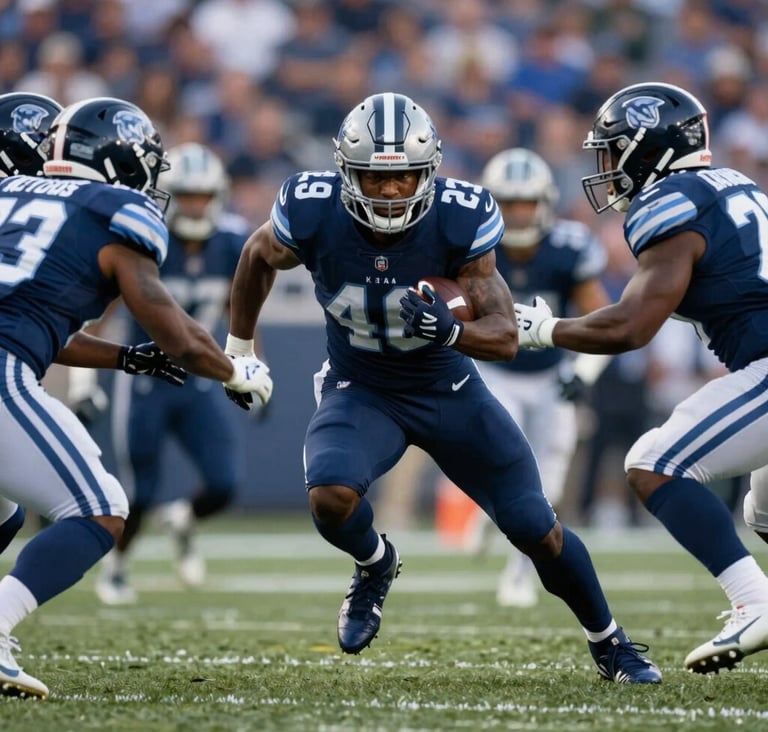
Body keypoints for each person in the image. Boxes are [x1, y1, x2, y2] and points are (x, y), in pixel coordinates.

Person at [225, 91, 661, 684]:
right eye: (373, 179)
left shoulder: (461, 214)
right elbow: (256, 254)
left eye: (402, 178)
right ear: (345, 172)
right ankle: (375, 564)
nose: (388, 192)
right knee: (329, 497)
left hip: (445, 384)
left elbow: (505, 336)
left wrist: (453, 331)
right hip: (361, 384)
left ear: (427, 172)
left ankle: (611, 642)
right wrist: (240, 349)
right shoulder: (310, 207)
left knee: (536, 526)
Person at [0, 96, 272, 699]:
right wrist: (234, 369)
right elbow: (175, 331)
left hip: (12, 354)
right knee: (102, 509)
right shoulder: (114, 208)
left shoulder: (10, 192)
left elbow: (44, 325)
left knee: (5, 513)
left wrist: (123, 357)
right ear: (119, 158)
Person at [515, 81, 768, 674]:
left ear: (647, 147)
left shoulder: (672, 202)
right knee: (762, 513)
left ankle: (755, 601)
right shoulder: (736, 185)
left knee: (653, 462)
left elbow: (630, 327)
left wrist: (543, 329)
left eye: (612, 152)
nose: (605, 168)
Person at [92, 142, 256, 605]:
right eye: (186, 195)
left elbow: (241, 310)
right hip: (147, 380)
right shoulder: (145, 238)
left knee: (224, 483)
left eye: (203, 196)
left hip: (200, 379)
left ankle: (182, 521)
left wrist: (250, 365)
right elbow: (104, 307)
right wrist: (85, 382)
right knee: (140, 493)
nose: (195, 205)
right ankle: (118, 565)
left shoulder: (230, 243)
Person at [464, 147, 611, 607]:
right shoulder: (473, 247)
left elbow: (600, 316)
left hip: (551, 374)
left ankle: (518, 572)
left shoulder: (569, 247)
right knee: (504, 462)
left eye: (527, 202)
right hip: (495, 371)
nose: (520, 213)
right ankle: (491, 510)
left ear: (545, 202)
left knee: (547, 483)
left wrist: (583, 371)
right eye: (509, 203)